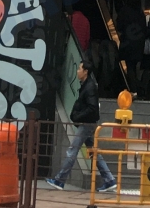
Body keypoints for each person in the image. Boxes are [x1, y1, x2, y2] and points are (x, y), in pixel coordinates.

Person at [46, 60, 116, 192]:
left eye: (79, 69)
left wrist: (78, 117)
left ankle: (60, 180)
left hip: (86, 124)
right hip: (88, 124)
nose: (77, 71)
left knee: (72, 150)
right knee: (94, 151)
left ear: (85, 72)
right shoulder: (87, 85)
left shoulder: (89, 87)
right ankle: (109, 180)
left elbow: (92, 108)